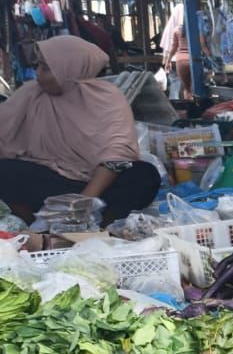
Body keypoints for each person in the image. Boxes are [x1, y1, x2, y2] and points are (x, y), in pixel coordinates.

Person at [0, 35, 158, 223]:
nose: (38, 75)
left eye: (46, 68)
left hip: (97, 184)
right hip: (50, 180)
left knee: (145, 175)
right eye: (38, 67)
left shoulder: (107, 98)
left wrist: (84, 201)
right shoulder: (31, 94)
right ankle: (34, 225)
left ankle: (104, 226)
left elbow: (117, 155)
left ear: (70, 69)